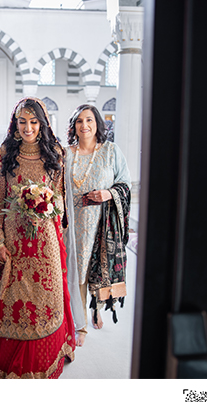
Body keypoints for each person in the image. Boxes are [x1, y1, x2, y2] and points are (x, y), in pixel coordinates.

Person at [0, 97, 76, 378]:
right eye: (22, 122)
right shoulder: (6, 151)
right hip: (14, 236)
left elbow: (58, 196)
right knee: (15, 296)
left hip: (45, 238)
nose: (28, 128)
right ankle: (12, 361)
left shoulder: (55, 152)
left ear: (42, 124)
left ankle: (48, 355)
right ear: (15, 123)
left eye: (34, 122)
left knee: (47, 297)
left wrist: (46, 205)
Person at [63, 104, 132, 347]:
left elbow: (125, 183)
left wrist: (108, 194)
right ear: (74, 126)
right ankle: (79, 321)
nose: (85, 125)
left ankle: (96, 308)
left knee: (98, 269)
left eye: (90, 120)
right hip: (72, 223)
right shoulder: (66, 154)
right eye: (79, 121)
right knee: (77, 269)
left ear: (98, 124)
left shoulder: (110, 151)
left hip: (102, 224)